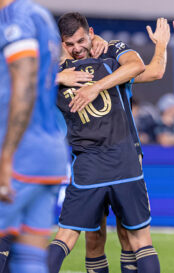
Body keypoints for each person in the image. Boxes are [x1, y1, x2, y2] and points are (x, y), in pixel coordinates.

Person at [48, 12, 169, 273]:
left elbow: (149, 70)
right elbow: (145, 68)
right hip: (114, 158)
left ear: (91, 33)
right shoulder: (107, 62)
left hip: (104, 159)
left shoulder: (104, 56)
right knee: (104, 238)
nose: (77, 49)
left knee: (119, 237)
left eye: (81, 41)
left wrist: (89, 85)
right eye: (70, 44)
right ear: (61, 43)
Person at [0, 0, 68, 272]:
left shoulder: (15, 17)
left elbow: (25, 84)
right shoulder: (43, 17)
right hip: (48, 151)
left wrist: (7, 156)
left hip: (20, 153)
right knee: (30, 259)